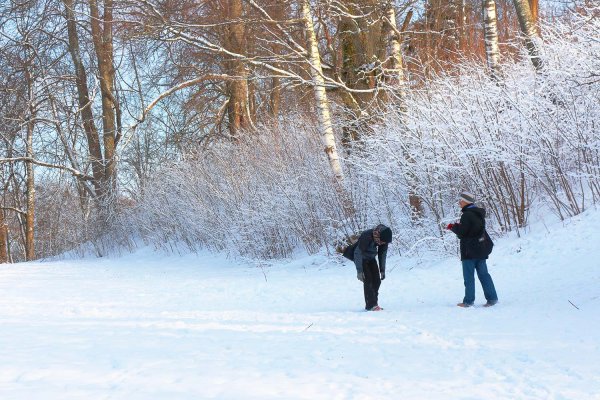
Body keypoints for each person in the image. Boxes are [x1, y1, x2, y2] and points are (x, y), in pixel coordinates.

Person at [447, 192, 498, 308]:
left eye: (461, 200)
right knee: (484, 275)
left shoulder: (466, 215)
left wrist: (453, 227)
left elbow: (463, 233)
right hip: (480, 250)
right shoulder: (479, 214)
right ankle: (492, 298)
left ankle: (468, 302)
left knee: (469, 277)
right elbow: (474, 231)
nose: (459, 202)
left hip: (469, 251)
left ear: (466, 201)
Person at [353, 224, 392, 311]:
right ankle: (371, 305)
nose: (383, 244)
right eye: (383, 242)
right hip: (362, 259)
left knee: (377, 281)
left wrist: (382, 270)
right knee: (368, 280)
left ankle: (374, 304)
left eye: (385, 243)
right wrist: (359, 271)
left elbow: (382, 254)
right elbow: (357, 253)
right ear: (379, 237)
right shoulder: (367, 235)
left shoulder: (384, 239)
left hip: (371, 258)